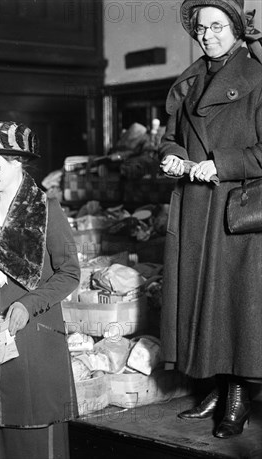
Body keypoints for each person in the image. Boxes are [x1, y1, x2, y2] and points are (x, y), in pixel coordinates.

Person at [159, 0, 262, 439]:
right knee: (203, 302)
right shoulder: (192, 80)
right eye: (201, 28)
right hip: (195, 208)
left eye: (217, 26)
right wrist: (172, 159)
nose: (207, 35)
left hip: (236, 213)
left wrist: (221, 164)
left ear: (237, 28)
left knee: (235, 306)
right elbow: (170, 139)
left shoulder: (259, 79)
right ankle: (217, 387)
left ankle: (238, 395)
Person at [0, 120, 81, 459]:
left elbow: (70, 273)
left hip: (33, 350)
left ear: (17, 161)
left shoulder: (46, 209)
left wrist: (30, 303)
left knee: (33, 445)